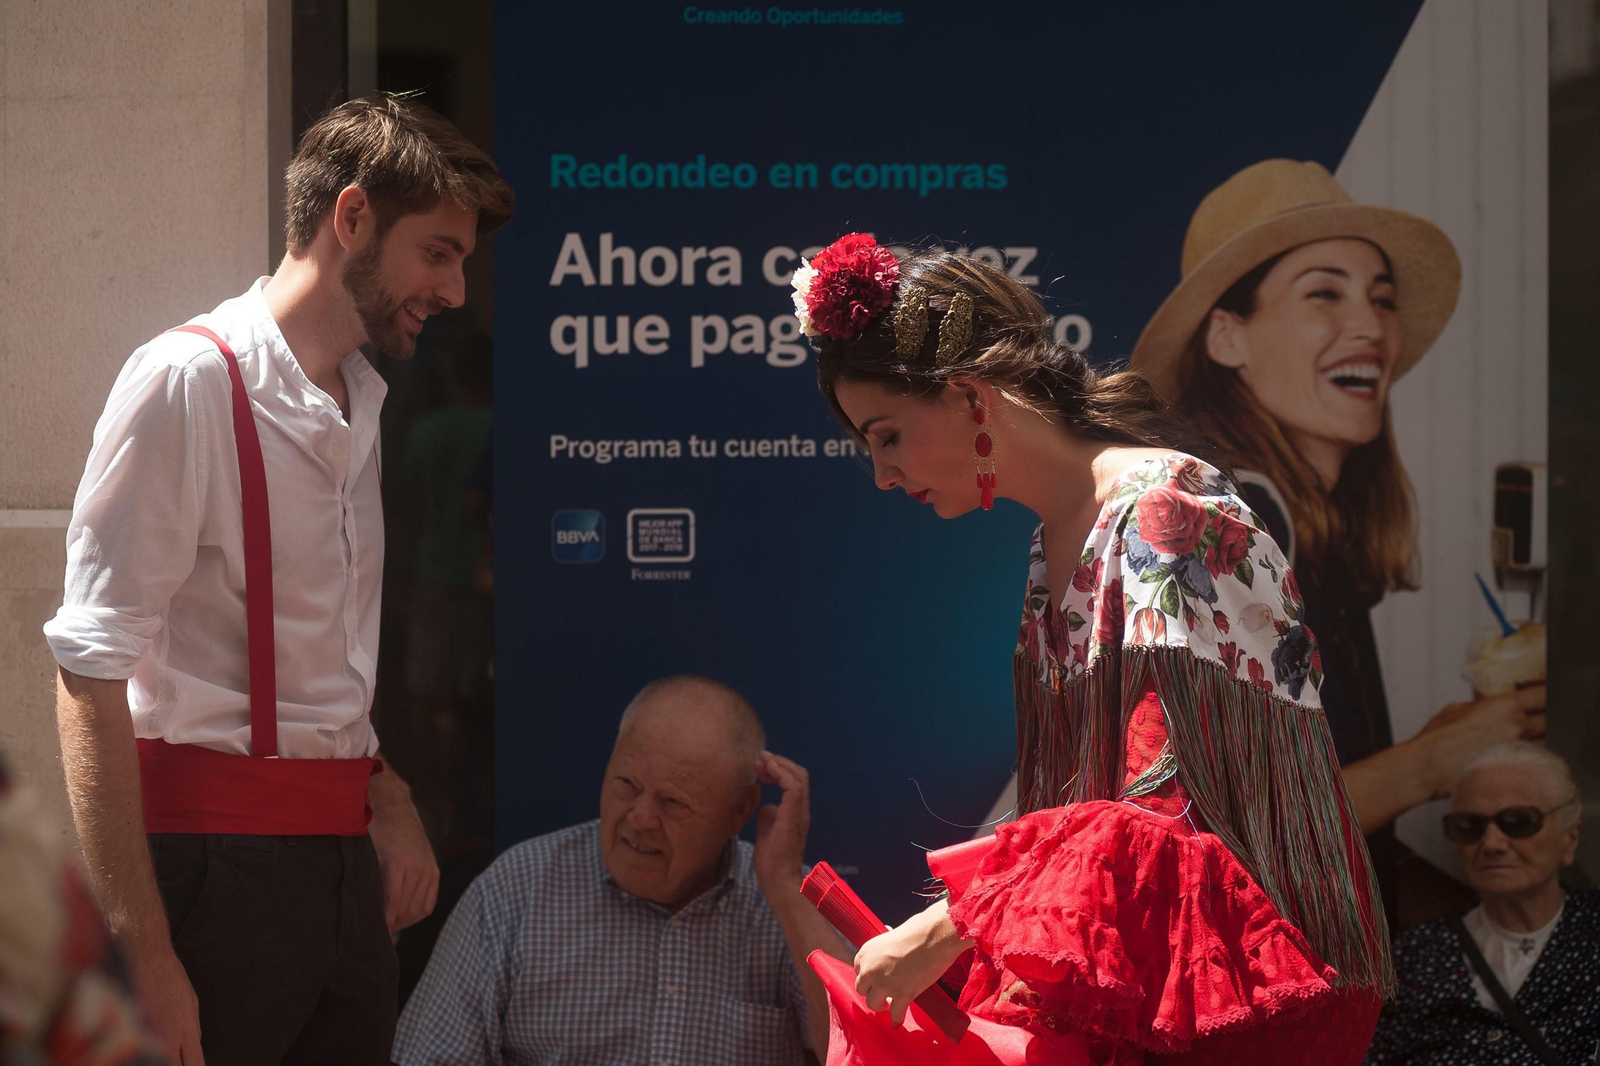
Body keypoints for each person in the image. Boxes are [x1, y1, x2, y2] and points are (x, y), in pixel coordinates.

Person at [792, 234, 1389, 1064]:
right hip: (1158, 982)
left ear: (969, 395)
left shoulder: (1163, 506)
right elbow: (1087, 817)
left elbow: (1164, 808)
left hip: (1248, 993)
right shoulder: (1052, 551)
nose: (884, 475)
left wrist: (950, 923)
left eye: (886, 435)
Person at [44, 94, 513, 1066]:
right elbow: (88, 671)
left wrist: (384, 795)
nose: (457, 289)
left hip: (339, 877)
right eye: (438, 252)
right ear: (350, 219)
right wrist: (143, 951)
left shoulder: (365, 401)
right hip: (209, 874)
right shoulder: (186, 381)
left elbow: (315, 663)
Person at [1128, 159, 1547, 916]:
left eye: (1381, 299)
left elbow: (1331, 821)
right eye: (1324, 293)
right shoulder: (1229, 522)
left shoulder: (1298, 527)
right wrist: (1428, 765)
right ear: (1227, 337)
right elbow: (1235, 826)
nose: (1372, 327)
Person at [392, 676, 848, 1065]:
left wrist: (788, 889)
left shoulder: (781, 903)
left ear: (739, 811)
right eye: (626, 784)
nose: (640, 818)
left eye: (673, 802)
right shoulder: (518, 889)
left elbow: (871, 1049)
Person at [1365, 743, 1596, 1064]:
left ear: (1570, 837)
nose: (1491, 844)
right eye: (1469, 826)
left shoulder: (1592, 934)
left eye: (1518, 821)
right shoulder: (1415, 955)